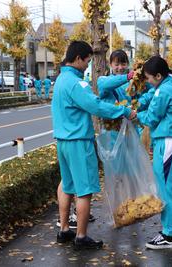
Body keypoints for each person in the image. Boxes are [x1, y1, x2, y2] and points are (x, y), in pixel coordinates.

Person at [52, 41, 136, 250]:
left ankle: (64, 230)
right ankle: (81, 237)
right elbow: (95, 105)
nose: (87, 66)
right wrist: (123, 111)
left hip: (62, 141)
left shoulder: (61, 79)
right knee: (85, 190)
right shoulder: (76, 83)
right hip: (78, 141)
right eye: (87, 61)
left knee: (67, 185)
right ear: (79, 58)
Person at [137, 56, 172, 249]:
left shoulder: (163, 91)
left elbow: (151, 118)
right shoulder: (170, 86)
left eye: (149, 78)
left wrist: (134, 114)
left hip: (167, 143)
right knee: (171, 188)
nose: (148, 82)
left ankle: (168, 235)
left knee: (166, 189)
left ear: (158, 75)